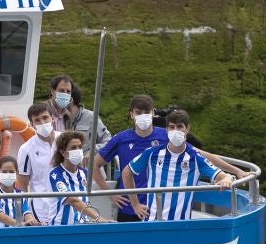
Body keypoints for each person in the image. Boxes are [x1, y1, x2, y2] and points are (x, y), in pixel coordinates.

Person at [121, 109, 233, 221]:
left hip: (180, 226)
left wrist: (227, 178)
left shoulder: (195, 157)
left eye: (179, 127)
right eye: (172, 127)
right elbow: (127, 172)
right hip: (151, 223)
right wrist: (135, 204)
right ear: (166, 129)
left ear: (187, 129)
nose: (175, 131)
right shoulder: (152, 153)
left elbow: (222, 176)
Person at [92, 94, 168, 223]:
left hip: (158, 206)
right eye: (138, 112)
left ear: (153, 113)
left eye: (146, 112)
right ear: (132, 114)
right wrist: (110, 194)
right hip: (128, 208)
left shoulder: (165, 135)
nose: (142, 116)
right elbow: (94, 164)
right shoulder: (121, 139)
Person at [48, 131, 105, 225]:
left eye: (80, 147)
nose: (78, 150)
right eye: (73, 148)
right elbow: (74, 201)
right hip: (61, 228)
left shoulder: (84, 173)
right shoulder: (55, 174)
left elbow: (84, 201)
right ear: (63, 152)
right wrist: (98, 218)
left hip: (82, 226)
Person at [16, 102, 59, 225]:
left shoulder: (65, 140)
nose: (42, 122)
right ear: (32, 124)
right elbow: (22, 187)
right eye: (37, 120)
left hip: (67, 206)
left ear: (52, 118)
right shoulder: (26, 149)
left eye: (45, 117)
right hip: (41, 211)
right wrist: (27, 214)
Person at [45, 74, 111, 149]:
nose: (65, 95)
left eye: (68, 92)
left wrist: (92, 152)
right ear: (53, 91)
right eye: (61, 91)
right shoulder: (46, 113)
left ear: (71, 99)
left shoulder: (89, 117)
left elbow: (108, 140)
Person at [0, 155, 39, 228]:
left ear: (17, 173)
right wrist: (20, 224)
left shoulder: (20, 194)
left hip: (14, 235)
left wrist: (32, 221)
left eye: (11, 172)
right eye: (4, 172)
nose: (8, 174)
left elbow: (26, 213)